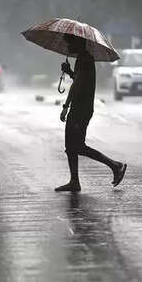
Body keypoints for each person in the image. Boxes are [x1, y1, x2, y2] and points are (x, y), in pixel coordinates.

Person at [56, 34, 127, 192]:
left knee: (78, 146)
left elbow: (77, 86)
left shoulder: (85, 60)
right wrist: (69, 72)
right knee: (71, 146)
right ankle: (74, 181)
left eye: (70, 44)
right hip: (81, 108)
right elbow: (80, 79)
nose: (68, 48)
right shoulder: (83, 59)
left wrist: (66, 105)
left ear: (78, 44)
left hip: (80, 109)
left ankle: (115, 166)